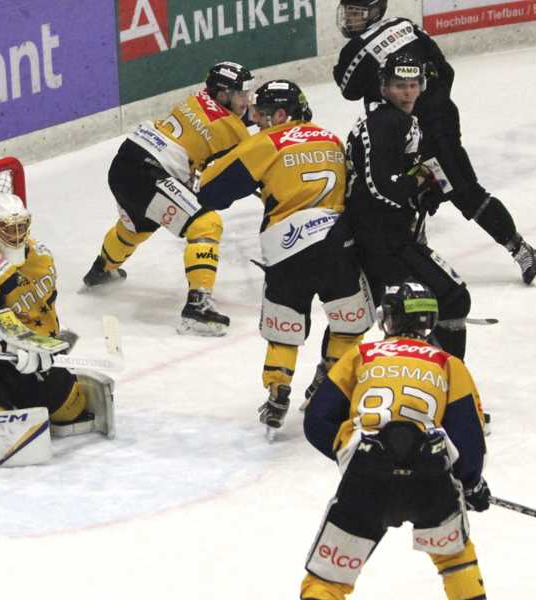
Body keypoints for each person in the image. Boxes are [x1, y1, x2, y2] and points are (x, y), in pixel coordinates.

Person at [197, 80, 373, 437]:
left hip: (287, 247)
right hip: (338, 245)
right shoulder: (331, 138)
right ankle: (332, 387)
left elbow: (211, 192)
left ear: (282, 113)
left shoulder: (266, 142)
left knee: (285, 327)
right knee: (349, 323)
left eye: (262, 114)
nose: (258, 121)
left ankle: (278, 390)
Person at [333, 0, 536, 287]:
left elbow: (348, 89)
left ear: (375, 11)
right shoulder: (406, 25)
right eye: (347, 12)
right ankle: (420, 257)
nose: (350, 19)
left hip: (407, 131)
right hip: (436, 122)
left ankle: (521, 250)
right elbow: (445, 71)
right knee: (433, 190)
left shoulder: (356, 49)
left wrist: (415, 117)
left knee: (444, 190)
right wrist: (433, 106)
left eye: (356, 13)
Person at [300, 281, 489, 600]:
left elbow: (317, 419)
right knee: (456, 559)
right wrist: (471, 485)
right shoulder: (448, 364)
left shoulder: (361, 354)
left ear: (387, 318)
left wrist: (350, 452)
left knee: (328, 581)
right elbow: (468, 439)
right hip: (430, 476)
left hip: (367, 474)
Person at [82, 61, 256, 336]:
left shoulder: (196, 99)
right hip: (149, 172)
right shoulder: (232, 129)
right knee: (206, 223)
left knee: (136, 227)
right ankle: (198, 308)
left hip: (124, 163)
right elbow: (242, 165)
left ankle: (100, 271)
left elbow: (223, 123)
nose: (246, 100)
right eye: (241, 94)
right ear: (222, 95)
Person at [0, 192, 111, 432]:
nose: (16, 234)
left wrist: (47, 346)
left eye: (21, 226)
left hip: (28, 358)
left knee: (70, 410)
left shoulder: (41, 256)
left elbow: (44, 311)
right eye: (8, 228)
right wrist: (8, 346)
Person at [345, 53, 471, 359]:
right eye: (400, 85)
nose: (408, 92)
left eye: (414, 84)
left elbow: (396, 178)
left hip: (383, 234)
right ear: (384, 87)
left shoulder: (394, 120)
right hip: (383, 240)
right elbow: (383, 188)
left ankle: (330, 377)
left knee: (376, 313)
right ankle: (447, 381)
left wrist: (424, 188)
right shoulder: (388, 122)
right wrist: (418, 184)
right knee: (451, 299)